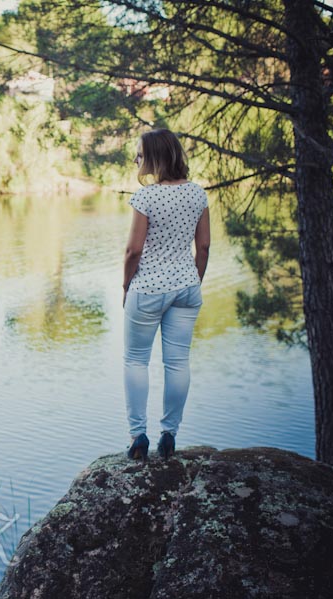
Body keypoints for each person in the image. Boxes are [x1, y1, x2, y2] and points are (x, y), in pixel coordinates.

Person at [122, 129, 210, 460]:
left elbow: (133, 250)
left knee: (135, 360)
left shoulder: (145, 197)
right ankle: (170, 434)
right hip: (186, 289)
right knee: (177, 362)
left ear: (156, 158)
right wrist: (194, 280)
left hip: (147, 290)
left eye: (141, 154)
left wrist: (125, 285)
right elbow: (203, 245)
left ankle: (137, 435)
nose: (136, 160)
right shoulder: (198, 194)